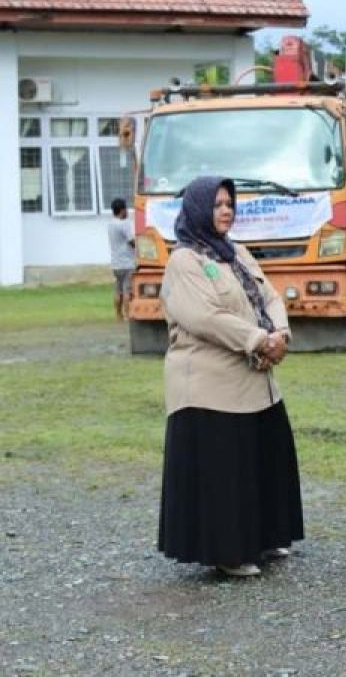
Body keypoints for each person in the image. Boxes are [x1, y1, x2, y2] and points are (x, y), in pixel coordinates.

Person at [157, 176, 303, 578]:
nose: (226, 211)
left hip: (255, 380)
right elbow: (205, 318)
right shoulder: (184, 261)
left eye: (229, 204)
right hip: (209, 387)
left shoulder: (236, 252)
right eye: (217, 204)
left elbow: (269, 295)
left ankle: (266, 536)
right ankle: (228, 551)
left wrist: (280, 333)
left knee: (261, 460)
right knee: (224, 472)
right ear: (198, 209)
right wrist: (259, 340)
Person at [108, 198, 135, 320]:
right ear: (122, 210)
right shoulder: (124, 224)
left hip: (116, 264)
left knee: (118, 290)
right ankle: (128, 315)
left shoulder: (110, 224)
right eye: (126, 209)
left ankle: (118, 315)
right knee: (127, 290)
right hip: (127, 263)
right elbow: (131, 241)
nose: (127, 212)